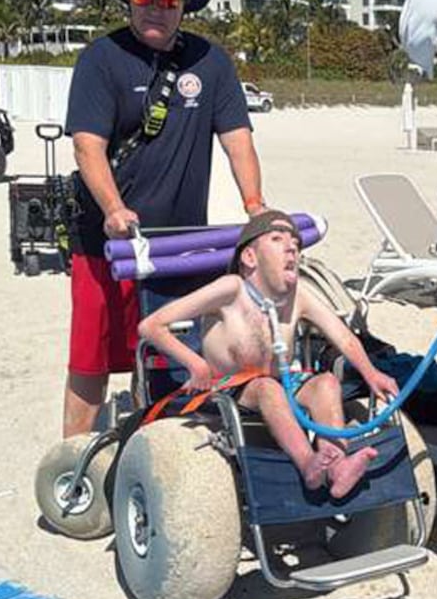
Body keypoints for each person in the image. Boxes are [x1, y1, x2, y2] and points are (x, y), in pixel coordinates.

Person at [62, 0, 268, 439]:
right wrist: (113, 209)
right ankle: (74, 460)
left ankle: (160, 442)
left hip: (182, 247)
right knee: (93, 356)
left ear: (183, 6)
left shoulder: (209, 61)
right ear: (129, 1)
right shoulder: (101, 58)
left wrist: (256, 207)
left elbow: (237, 137)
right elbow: (86, 145)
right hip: (107, 243)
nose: (156, 8)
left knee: (178, 348)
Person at [137, 211, 401, 498]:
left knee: (327, 384)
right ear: (249, 258)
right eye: (277, 240)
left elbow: (344, 338)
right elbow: (151, 326)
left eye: (296, 245)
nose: (291, 248)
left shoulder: (299, 294)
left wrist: (371, 373)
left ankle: (335, 463)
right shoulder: (231, 289)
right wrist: (195, 363)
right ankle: (308, 466)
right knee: (267, 388)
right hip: (229, 387)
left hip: (281, 383)